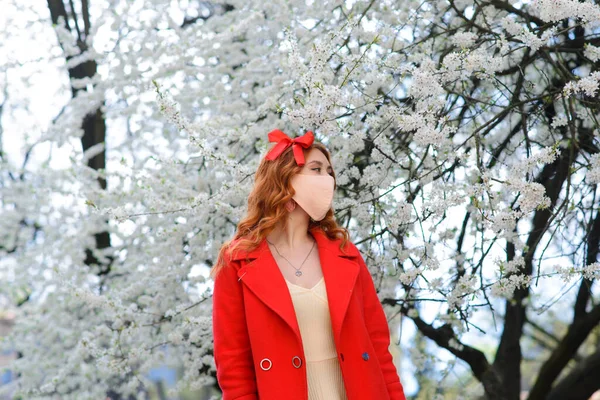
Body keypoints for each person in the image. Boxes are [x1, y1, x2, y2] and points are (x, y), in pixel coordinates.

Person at [210, 129, 407, 400]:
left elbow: (379, 347)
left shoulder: (346, 255)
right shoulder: (237, 261)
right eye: (316, 169)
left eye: (329, 172)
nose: (327, 179)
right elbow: (233, 366)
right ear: (285, 177)